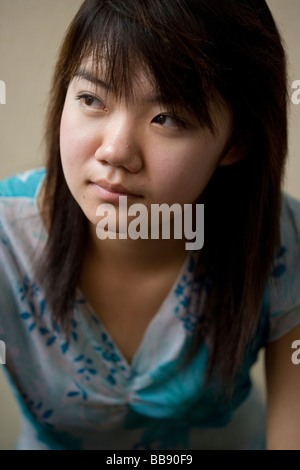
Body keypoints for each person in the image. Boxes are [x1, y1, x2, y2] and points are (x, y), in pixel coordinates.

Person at [0, 0, 300, 451]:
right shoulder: (7, 240)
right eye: (91, 99)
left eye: (168, 117)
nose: (116, 152)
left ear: (237, 141)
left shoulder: (282, 239)